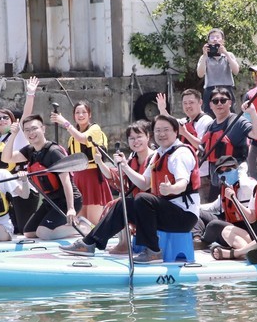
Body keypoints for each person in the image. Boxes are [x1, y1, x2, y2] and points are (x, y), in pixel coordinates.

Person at [60, 115, 201, 264]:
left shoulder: (180, 154)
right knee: (123, 204)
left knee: (142, 199)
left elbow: (183, 183)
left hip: (184, 216)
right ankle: (89, 243)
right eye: (158, 130)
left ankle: (153, 251)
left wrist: (171, 188)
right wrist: (125, 167)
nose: (162, 134)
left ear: (176, 132)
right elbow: (144, 184)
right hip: (166, 212)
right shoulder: (159, 154)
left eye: (166, 130)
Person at [2, 114, 85, 240]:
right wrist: (13, 134)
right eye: (27, 130)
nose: (31, 133)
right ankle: (65, 226)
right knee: (29, 232)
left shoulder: (54, 152)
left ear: (43, 129)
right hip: (50, 201)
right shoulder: (30, 151)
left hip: (67, 201)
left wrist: (71, 208)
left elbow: (66, 181)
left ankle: (83, 227)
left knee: (43, 233)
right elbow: (6, 158)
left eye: (34, 128)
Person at [0, 77, 40, 234]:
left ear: (12, 120)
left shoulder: (19, 134)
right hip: (4, 190)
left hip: (22, 187)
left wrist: (30, 94)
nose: (2, 120)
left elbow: (26, 114)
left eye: (6, 117)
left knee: (25, 228)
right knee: (13, 227)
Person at [94, 120, 155, 254]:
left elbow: (145, 184)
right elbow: (116, 178)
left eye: (139, 137)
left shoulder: (155, 157)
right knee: (116, 203)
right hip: (137, 204)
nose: (135, 141)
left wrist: (125, 166)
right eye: (132, 138)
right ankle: (123, 243)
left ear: (148, 137)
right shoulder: (132, 159)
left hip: (152, 206)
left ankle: (98, 242)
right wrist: (99, 162)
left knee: (122, 204)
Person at [51, 101, 113, 225]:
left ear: (89, 114)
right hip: (78, 179)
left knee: (93, 222)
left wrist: (64, 122)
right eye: (77, 112)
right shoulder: (71, 138)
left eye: (84, 112)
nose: (80, 115)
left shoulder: (95, 129)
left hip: (93, 178)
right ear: (74, 115)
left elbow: (82, 138)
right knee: (80, 223)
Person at [201, 87, 257, 201]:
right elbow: (203, 149)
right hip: (216, 181)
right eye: (215, 101)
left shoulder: (238, 121)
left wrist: (252, 112)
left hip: (236, 180)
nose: (219, 103)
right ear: (210, 105)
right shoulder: (210, 126)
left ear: (230, 102)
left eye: (223, 100)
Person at [156, 89, 214, 201]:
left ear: (200, 103)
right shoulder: (185, 121)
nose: (188, 106)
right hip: (187, 173)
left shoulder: (206, 121)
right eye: (185, 103)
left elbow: (203, 147)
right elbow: (170, 121)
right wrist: (162, 109)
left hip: (202, 174)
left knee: (201, 207)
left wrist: (185, 133)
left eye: (191, 102)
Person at [193, 155, 257, 249]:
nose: (224, 174)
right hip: (229, 224)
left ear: (237, 169)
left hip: (245, 230)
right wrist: (193, 207)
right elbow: (213, 207)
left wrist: (233, 199)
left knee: (214, 225)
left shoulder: (247, 186)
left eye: (228, 170)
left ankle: (204, 242)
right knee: (195, 211)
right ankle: (197, 240)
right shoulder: (225, 187)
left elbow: (252, 217)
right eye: (220, 171)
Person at [196, 28, 240, 116]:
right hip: (210, 89)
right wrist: (205, 55)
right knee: (209, 116)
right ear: (208, 41)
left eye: (217, 37)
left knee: (230, 116)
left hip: (227, 89)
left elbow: (236, 71)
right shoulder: (204, 57)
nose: (215, 39)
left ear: (223, 41)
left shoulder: (229, 55)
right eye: (212, 38)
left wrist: (226, 53)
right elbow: (200, 74)